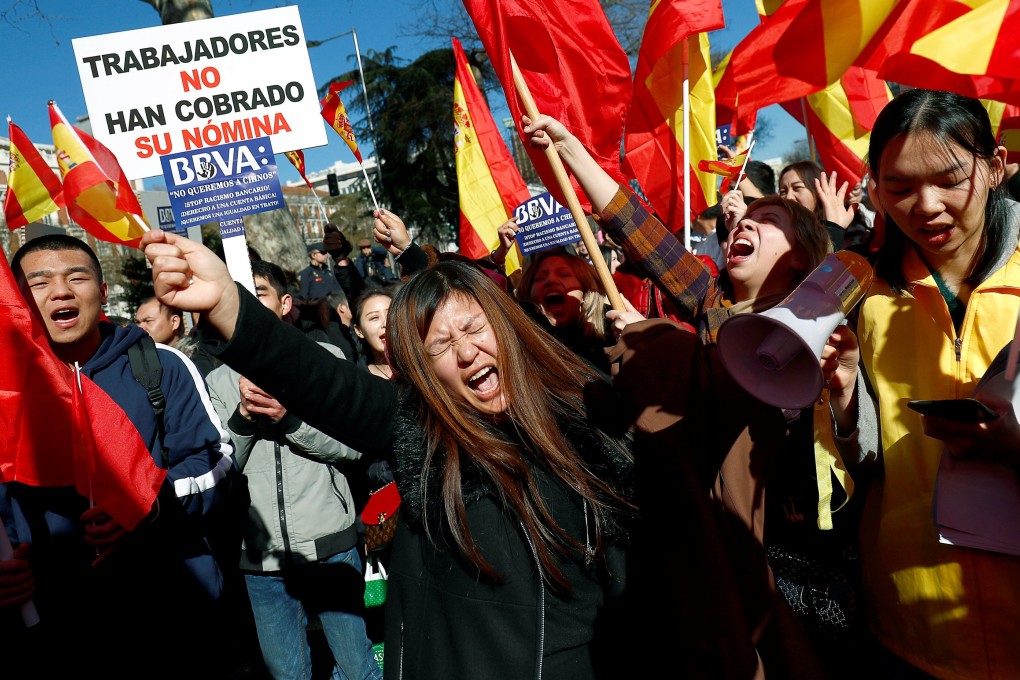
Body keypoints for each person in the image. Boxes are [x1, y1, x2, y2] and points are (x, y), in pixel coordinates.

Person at [140, 227, 637, 680]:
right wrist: (228, 303)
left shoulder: (592, 415)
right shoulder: (424, 439)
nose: (466, 353)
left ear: (507, 325)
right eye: (440, 345)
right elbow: (326, 383)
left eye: (474, 328)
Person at [525, 113, 877, 678]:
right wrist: (572, 149)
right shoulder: (715, 305)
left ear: (805, 258)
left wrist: (842, 395)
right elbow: (641, 233)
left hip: (805, 575)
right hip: (719, 576)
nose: (741, 222)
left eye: (767, 218)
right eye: (738, 220)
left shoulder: (829, 326)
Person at [1, 234, 235, 676]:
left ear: (103, 292)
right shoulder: (6, 391)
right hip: (56, 621)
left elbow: (217, 460)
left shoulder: (160, 365)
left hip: (172, 607)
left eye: (76, 277)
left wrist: (149, 504)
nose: (62, 292)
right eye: (40, 282)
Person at [849, 88, 1020, 678]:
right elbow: (858, 461)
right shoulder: (862, 298)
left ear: (994, 168)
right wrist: (843, 403)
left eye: (950, 179)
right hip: (911, 624)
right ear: (873, 188)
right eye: (898, 188)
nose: (926, 206)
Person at [205, 260, 380, 680]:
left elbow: (352, 448)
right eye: (235, 293)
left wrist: (289, 420)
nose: (245, 301)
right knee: (287, 673)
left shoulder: (327, 359)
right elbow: (220, 471)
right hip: (261, 560)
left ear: (284, 303)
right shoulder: (218, 381)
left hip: (330, 545)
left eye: (258, 292)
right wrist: (244, 420)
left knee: (357, 667)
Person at [516, 247, 615, 374]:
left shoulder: (613, 332)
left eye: (564, 274)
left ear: (584, 293)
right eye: (540, 277)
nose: (551, 280)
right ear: (529, 293)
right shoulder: (522, 347)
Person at [776, 160, 873, 253]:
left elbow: (829, 267)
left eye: (797, 188)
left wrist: (834, 229)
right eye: (783, 192)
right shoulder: (779, 235)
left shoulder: (852, 229)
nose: (789, 197)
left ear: (818, 190)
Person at [352, 287, 397, 379]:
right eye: (374, 318)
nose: (386, 323)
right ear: (359, 330)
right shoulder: (358, 380)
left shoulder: (426, 363)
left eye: (391, 314)